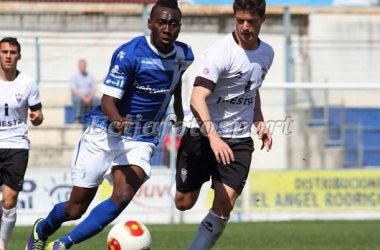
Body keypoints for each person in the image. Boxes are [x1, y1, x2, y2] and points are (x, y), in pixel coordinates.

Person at [25, 0, 193, 249]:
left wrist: (179, 112)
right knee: (75, 208)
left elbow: (175, 82)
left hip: (141, 138)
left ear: (179, 27)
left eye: (173, 24)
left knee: (123, 196)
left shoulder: (184, 54)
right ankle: (43, 228)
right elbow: (107, 102)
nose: (167, 28)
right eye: (161, 22)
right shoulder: (130, 54)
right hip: (103, 132)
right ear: (150, 24)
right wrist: (118, 120)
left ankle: (63, 244)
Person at [172, 0, 273, 249]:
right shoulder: (220, 52)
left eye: (251, 21)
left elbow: (252, 87)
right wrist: (214, 138)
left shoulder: (267, 53)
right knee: (183, 203)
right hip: (201, 133)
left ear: (263, 19)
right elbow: (197, 98)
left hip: (237, 139)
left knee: (225, 203)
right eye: (240, 20)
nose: (245, 27)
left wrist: (258, 120)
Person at [0, 37, 44, 250]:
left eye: (13, 52)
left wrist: (37, 117)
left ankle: (2, 245)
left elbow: (38, 112)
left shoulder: (27, 82)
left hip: (17, 145)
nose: (8, 56)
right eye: (4, 52)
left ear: (19, 56)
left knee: (9, 203)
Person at [70, 59, 99, 124]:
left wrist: (90, 97)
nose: (83, 67)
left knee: (97, 100)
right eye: (81, 66)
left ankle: (95, 117)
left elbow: (94, 88)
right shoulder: (74, 76)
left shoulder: (89, 75)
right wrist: (83, 98)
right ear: (79, 66)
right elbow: (74, 90)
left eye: (84, 66)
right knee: (78, 100)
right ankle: (78, 118)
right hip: (79, 96)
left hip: (88, 96)